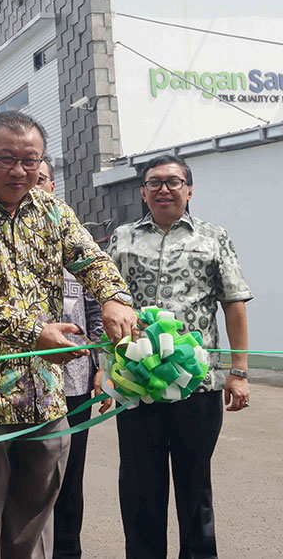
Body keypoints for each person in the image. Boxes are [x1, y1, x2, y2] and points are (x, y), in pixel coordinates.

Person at [0, 110, 137, 559]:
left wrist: (116, 297)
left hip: (42, 394)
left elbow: (92, 259)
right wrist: (34, 332)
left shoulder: (53, 211)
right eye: (6, 158)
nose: (19, 171)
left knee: (35, 528)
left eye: (31, 160)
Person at [106, 154, 251, 559]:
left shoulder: (213, 237)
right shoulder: (122, 238)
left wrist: (238, 372)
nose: (164, 189)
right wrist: (107, 375)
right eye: (154, 182)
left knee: (194, 486)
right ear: (142, 191)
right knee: (139, 487)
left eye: (173, 182)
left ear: (189, 189)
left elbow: (234, 303)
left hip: (197, 386)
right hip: (136, 384)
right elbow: (108, 306)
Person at [35, 158, 104, 559]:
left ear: (52, 186)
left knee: (68, 481)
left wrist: (98, 368)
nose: (34, 184)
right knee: (28, 481)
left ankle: (67, 553)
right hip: (23, 389)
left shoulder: (75, 244)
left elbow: (96, 312)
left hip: (75, 386)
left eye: (41, 177)